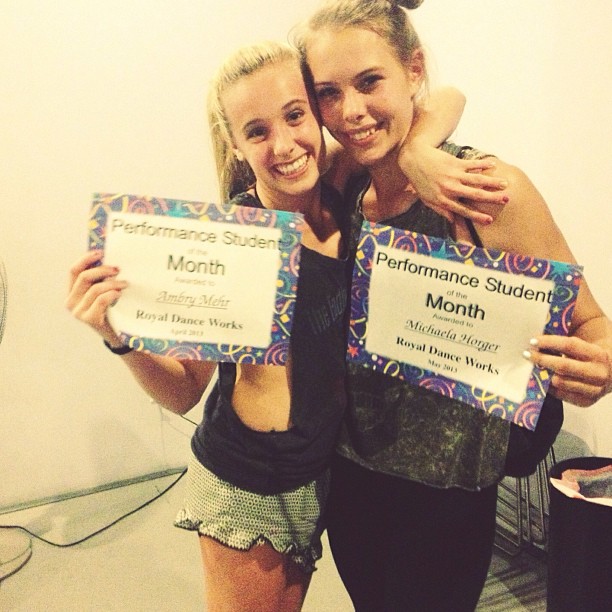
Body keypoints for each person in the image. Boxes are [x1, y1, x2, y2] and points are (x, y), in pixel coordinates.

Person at [66, 38, 510, 610]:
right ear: (235, 144)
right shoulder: (237, 239)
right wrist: (117, 338)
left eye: (295, 115)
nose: (284, 145)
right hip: (251, 482)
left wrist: (419, 151)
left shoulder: (341, 188)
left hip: (324, 473)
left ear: (317, 113)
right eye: (257, 132)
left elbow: (446, 96)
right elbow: (183, 392)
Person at [293, 0, 612, 610]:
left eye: (369, 82)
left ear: (414, 70)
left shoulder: (485, 189)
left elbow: (594, 324)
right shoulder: (343, 180)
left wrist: (601, 367)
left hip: (448, 497)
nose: (350, 111)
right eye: (328, 93)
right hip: (353, 477)